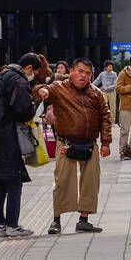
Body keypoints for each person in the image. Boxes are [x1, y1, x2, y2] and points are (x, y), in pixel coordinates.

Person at [36, 57, 111, 234]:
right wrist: (43, 91)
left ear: (91, 75)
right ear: (72, 72)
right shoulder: (59, 88)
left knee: (91, 183)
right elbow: (43, 89)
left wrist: (106, 142)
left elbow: (105, 117)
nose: (83, 76)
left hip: (90, 144)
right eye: (80, 71)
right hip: (66, 143)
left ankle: (84, 220)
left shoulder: (96, 93)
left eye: (87, 73)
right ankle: (57, 220)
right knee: (62, 181)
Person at [0, 53, 44, 238]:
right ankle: (12, 225)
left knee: (0, 181)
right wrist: (33, 102)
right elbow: (23, 110)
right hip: (9, 136)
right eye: (35, 72)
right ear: (28, 68)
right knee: (14, 180)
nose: (33, 76)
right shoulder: (19, 81)